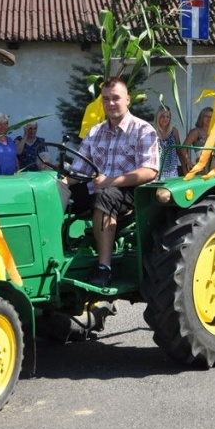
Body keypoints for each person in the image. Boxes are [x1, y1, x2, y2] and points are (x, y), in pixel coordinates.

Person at [68, 77, 160, 287]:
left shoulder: (143, 130)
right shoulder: (95, 132)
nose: (110, 103)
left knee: (105, 196)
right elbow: (77, 171)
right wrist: (59, 183)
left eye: (116, 98)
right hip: (98, 186)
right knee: (58, 195)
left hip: (131, 192)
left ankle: (104, 267)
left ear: (127, 100)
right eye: (106, 99)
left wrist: (113, 181)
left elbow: (149, 171)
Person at [181, 106, 215, 173]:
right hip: (202, 168)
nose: (209, 119)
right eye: (206, 116)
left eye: (211, 117)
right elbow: (183, 149)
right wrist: (189, 161)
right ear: (201, 117)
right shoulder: (196, 132)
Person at [153, 106, 181, 179]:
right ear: (158, 117)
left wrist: (184, 168)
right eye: (162, 116)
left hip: (173, 171)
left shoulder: (174, 131)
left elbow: (179, 151)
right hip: (157, 171)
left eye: (167, 117)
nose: (165, 119)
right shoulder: (152, 131)